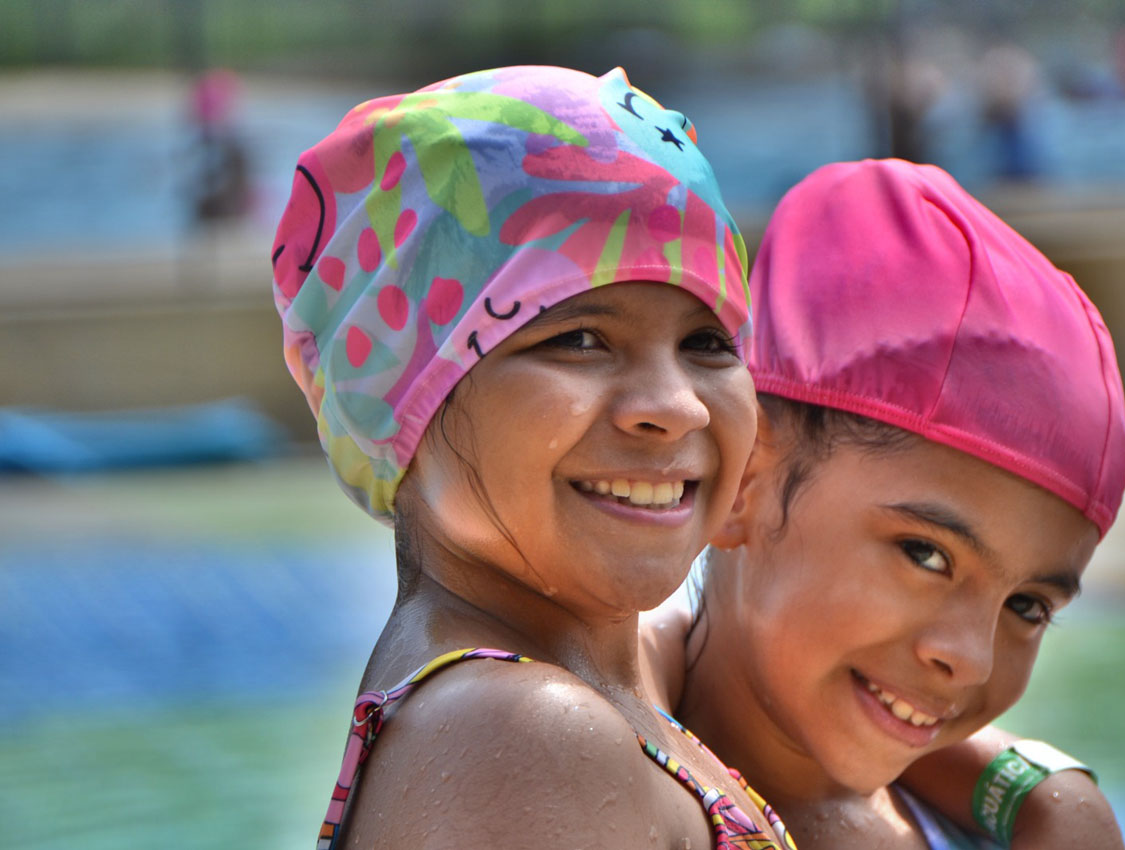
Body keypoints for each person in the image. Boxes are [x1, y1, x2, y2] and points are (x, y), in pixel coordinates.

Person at [270, 65, 789, 849]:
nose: (676, 404)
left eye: (708, 342)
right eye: (578, 340)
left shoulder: (589, 680)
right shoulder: (523, 734)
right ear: (400, 396)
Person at [648, 159, 1125, 849]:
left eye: (1028, 606)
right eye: (926, 554)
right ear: (741, 477)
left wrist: (1051, 796)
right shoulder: (550, 776)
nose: (971, 660)